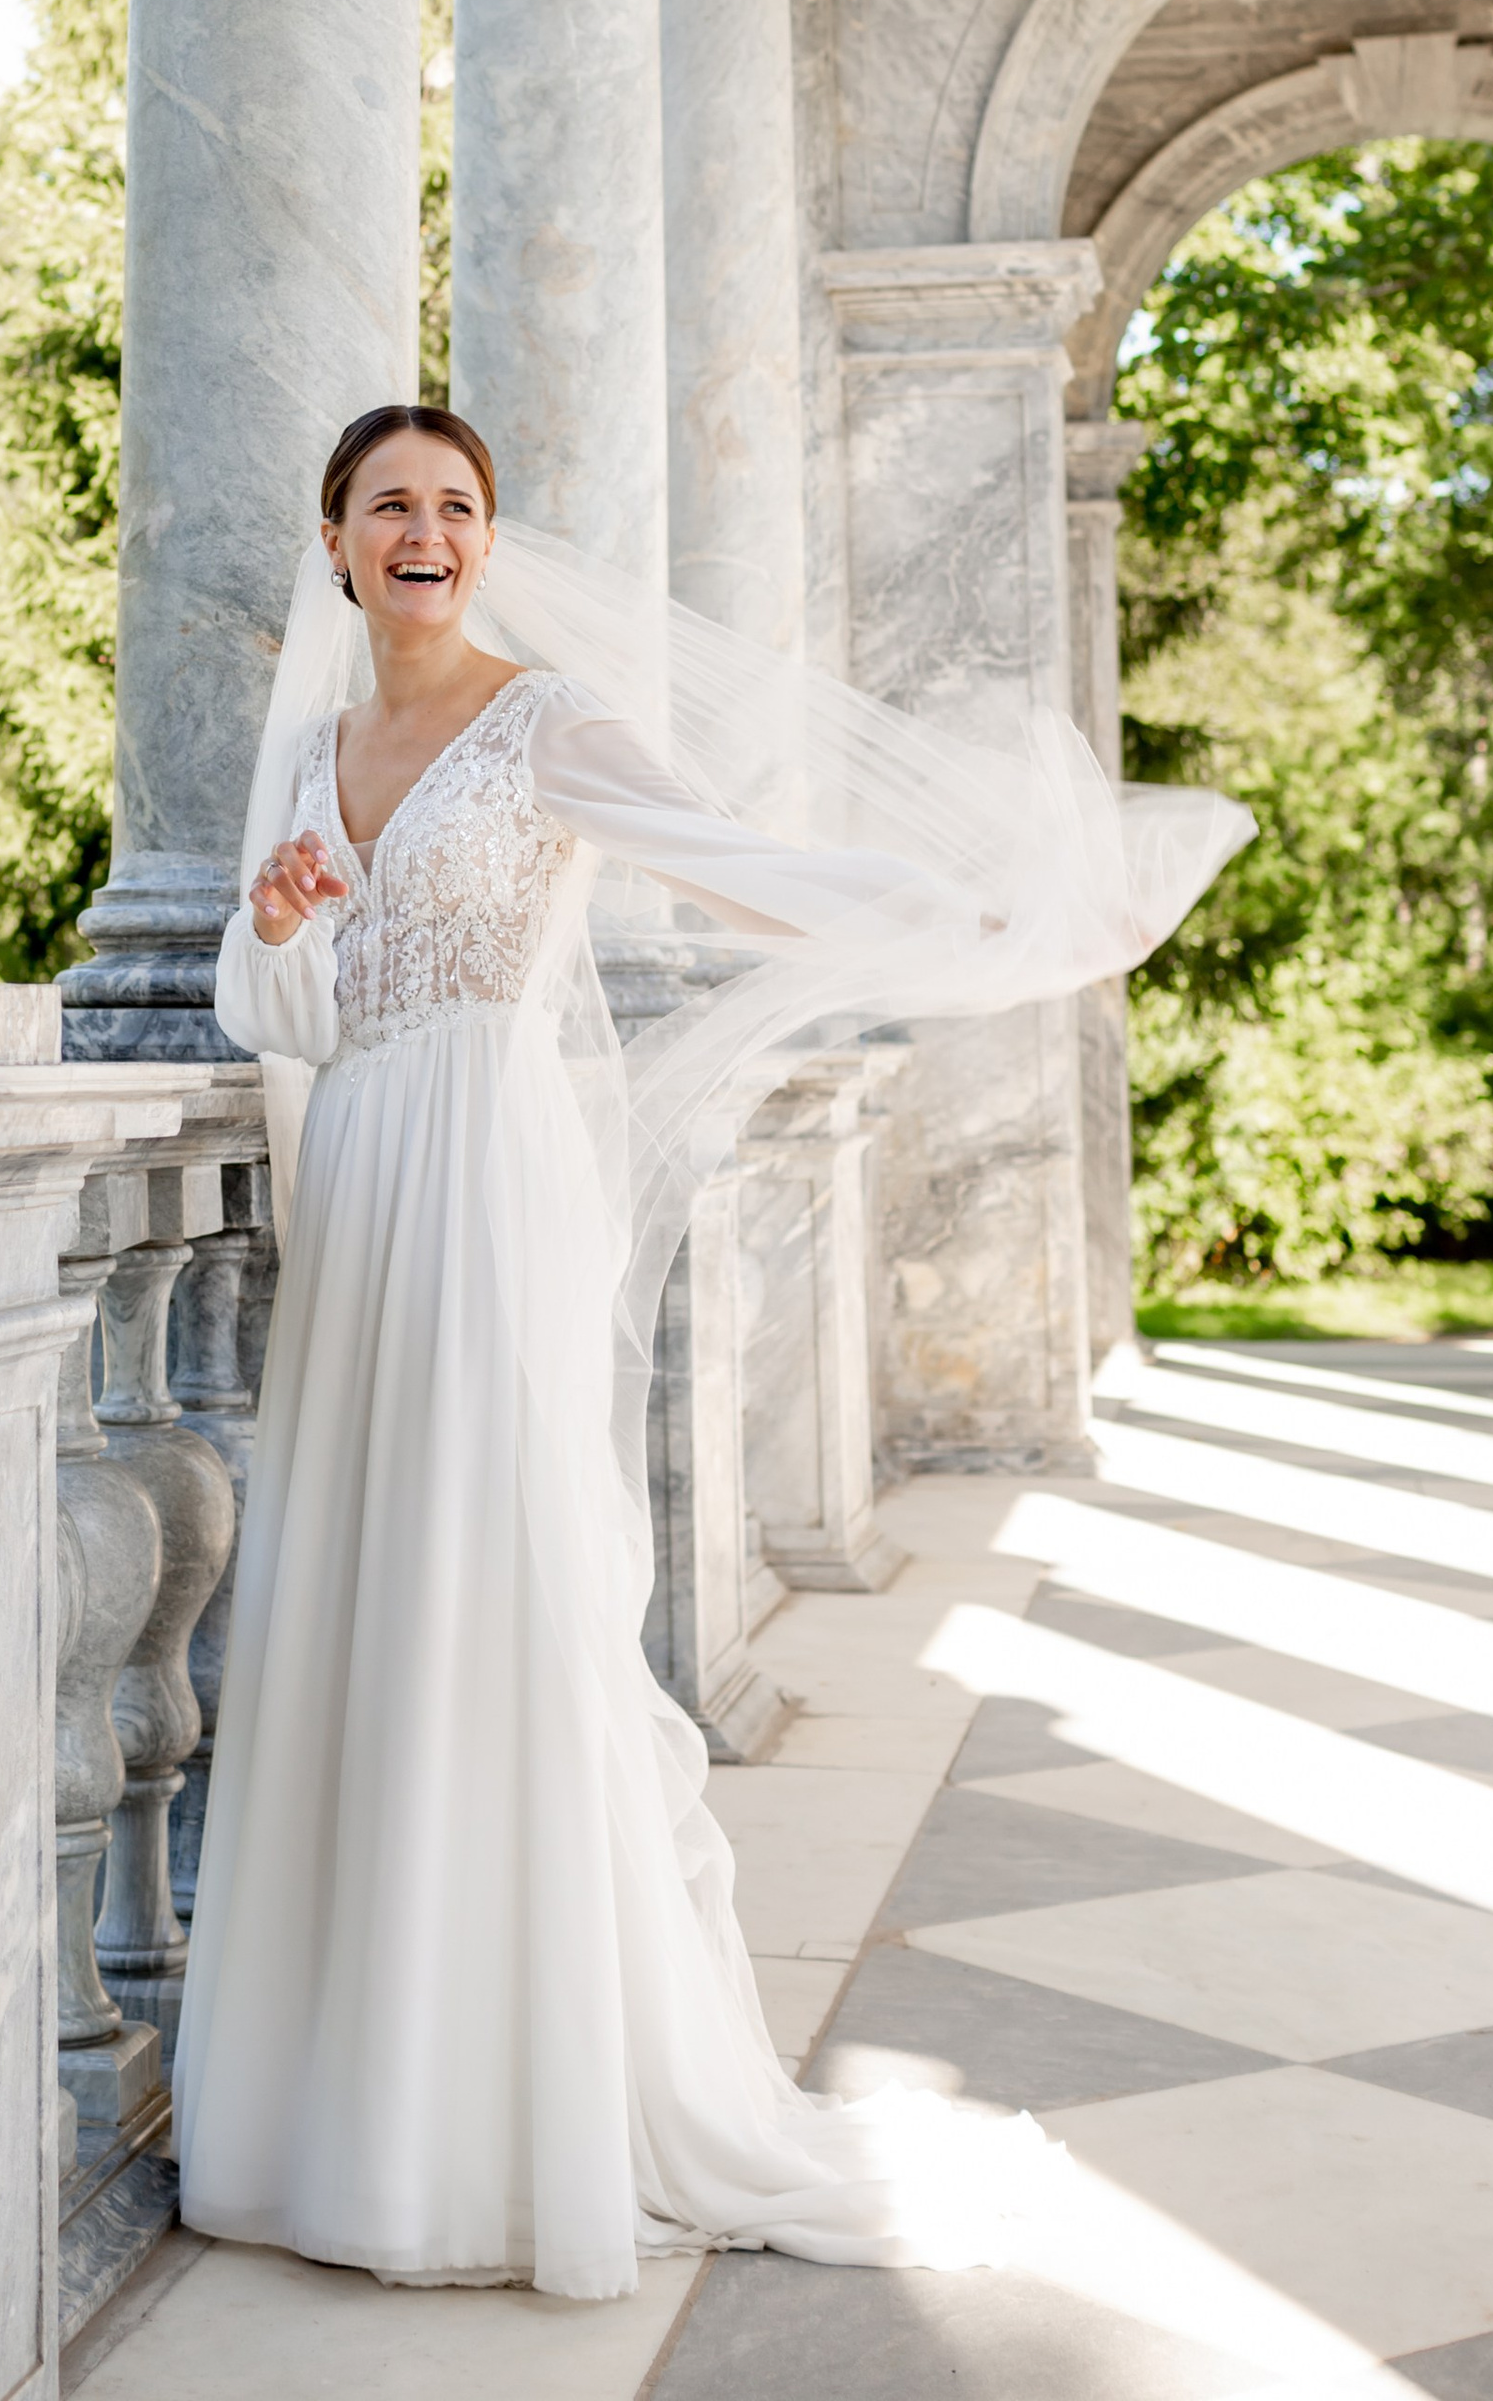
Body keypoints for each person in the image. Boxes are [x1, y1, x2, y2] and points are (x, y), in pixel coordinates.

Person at [169, 403, 1247, 2300]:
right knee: (352, 1598)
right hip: (357, 1182)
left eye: (458, 506)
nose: (426, 532)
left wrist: (984, 918)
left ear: (486, 541)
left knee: (485, 1596)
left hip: (487, 1183)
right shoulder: (314, 752)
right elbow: (282, 1001)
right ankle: (337, 2107)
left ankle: (503, 2120)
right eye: (390, 506)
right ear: (333, 537)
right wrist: (273, 925)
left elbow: (751, 873)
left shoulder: (544, 720)